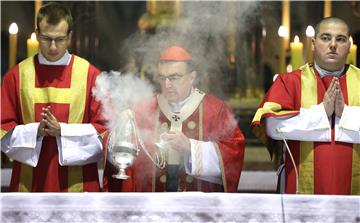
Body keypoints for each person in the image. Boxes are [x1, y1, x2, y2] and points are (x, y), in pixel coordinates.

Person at [103, 45, 245, 192]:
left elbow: (233, 154)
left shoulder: (215, 110)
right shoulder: (142, 110)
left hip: (198, 208)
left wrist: (190, 147)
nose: (167, 84)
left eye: (174, 77)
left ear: (192, 77)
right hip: (153, 206)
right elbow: (117, 149)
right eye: (162, 77)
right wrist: (117, 131)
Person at [1, 2, 106, 192]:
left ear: (70, 36)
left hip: (79, 185)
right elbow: (2, 132)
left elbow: (104, 135)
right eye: (46, 38)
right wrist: (36, 132)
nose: (52, 46)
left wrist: (62, 131)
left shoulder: (91, 76)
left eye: (59, 39)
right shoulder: (17, 76)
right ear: (37, 33)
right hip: (29, 185)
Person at [251, 17, 360, 195]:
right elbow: (273, 127)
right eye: (325, 38)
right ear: (313, 43)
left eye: (340, 39)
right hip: (302, 188)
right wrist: (322, 113)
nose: (333, 44)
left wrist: (345, 113)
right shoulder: (290, 81)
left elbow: (286, 126)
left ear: (348, 45)